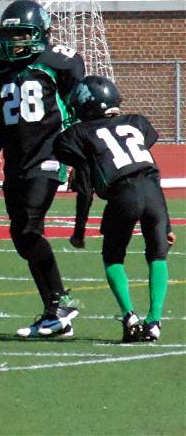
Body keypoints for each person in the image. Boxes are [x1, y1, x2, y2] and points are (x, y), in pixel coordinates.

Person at [0, 0, 84, 338]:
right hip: (17, 162)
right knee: (21, 236)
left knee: (29, 229)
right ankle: (55, 312)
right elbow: (2, 124)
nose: (15, 41)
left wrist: (78, 160)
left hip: (49, 155)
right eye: (10, 35)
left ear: (41, 33)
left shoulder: (57, 62)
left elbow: (75, 111)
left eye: (22, 34)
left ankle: (61, 302)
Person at [53, 76, 176, 342]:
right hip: (153, 192)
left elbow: (85, 189)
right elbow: (150, 170)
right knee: (157, 256)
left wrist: (79, 231)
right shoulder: (136, 122)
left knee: (113, 257)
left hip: (123, 194)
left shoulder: (78, 134)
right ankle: (154, 321)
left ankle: (129, 316)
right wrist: (166, 223)